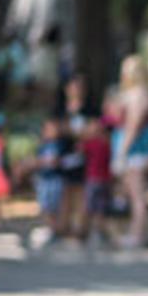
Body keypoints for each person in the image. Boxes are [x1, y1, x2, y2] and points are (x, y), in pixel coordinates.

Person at [113, 55, 148, 248]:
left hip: (135, 150)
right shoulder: (144, 93)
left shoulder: (138, 94)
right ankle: (135, 232)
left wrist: (122, 151)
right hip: (136, 149)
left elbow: (133, 125)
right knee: (134, 193)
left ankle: (137, 235)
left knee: (138, 194)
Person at [57, 76, 88, 238]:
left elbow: (92, 130)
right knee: (65, 191)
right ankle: (63, 226)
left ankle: (79, 227)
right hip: (65, 154)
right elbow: (56, 129)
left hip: (82, 156)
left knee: (80, 192)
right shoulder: (61, 110)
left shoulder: (88, 110)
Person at [81, 117, 112, 247]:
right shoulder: (106, 143)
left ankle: (87, 231)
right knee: (98, 207)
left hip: (94, 179)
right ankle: (95, 231)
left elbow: (80, 152)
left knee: (90, 206)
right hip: (103, 179)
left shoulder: (91, 143)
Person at [33, 117, 65, 242]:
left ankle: (56, 228)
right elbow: (39, 161)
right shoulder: (42, 146)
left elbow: (58, 161)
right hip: (44, 179)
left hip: (55, 179)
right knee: (45, 206)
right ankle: (50, 228)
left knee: (55, 205)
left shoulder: (60, 145)